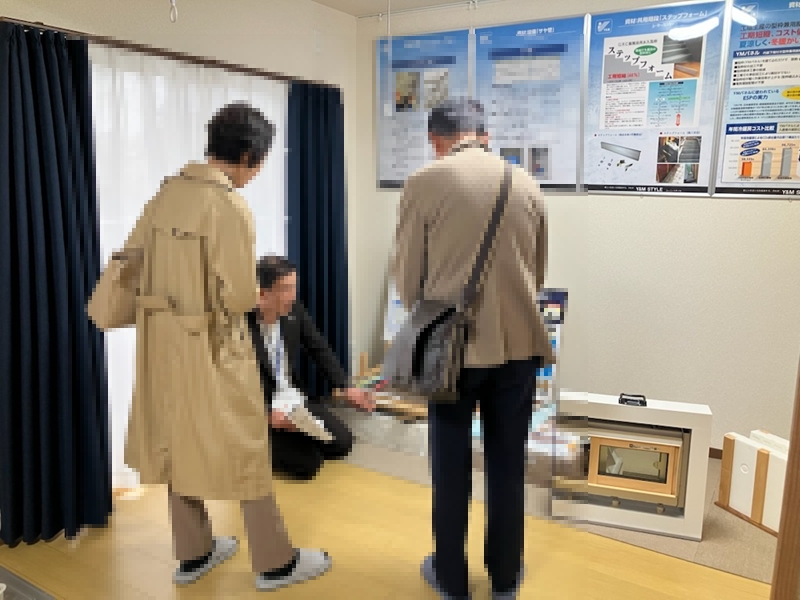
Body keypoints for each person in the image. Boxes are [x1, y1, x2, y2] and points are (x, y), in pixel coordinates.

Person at [121, 102, 331, 592]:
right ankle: (275, 564)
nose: (257, 172)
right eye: (260, 162)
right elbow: (238, 297)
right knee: (247, 447)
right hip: (214, 343)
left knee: (177, 440)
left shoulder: (167, 193)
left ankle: (193, 552)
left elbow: (133, 261)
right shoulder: (229, 205)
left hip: (161, 340)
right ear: (248, 156)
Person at [391, 98, 553, 600]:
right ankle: (505, 577)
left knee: (449, 465)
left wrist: (430, 315)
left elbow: (407, 278)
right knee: (508, 463)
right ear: (485, 134)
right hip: (520, 345)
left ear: (436, 140)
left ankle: (451, 578)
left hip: (452, 350)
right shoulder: (527, 183)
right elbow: (537, 273)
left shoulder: (424, 182)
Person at [246, 255, 375, 480]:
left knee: (342, 443)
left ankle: (291, 437)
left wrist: (346, 387)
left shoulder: (294, 311)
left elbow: (319, 348)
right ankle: (257, 443)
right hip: (261, 410)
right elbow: (229, 384)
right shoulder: (239, 325)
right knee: (308, 465)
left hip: (291, 399)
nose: (292, 296)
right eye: (285, 289)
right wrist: (265, 414)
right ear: (262, 293)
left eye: (293, 287)